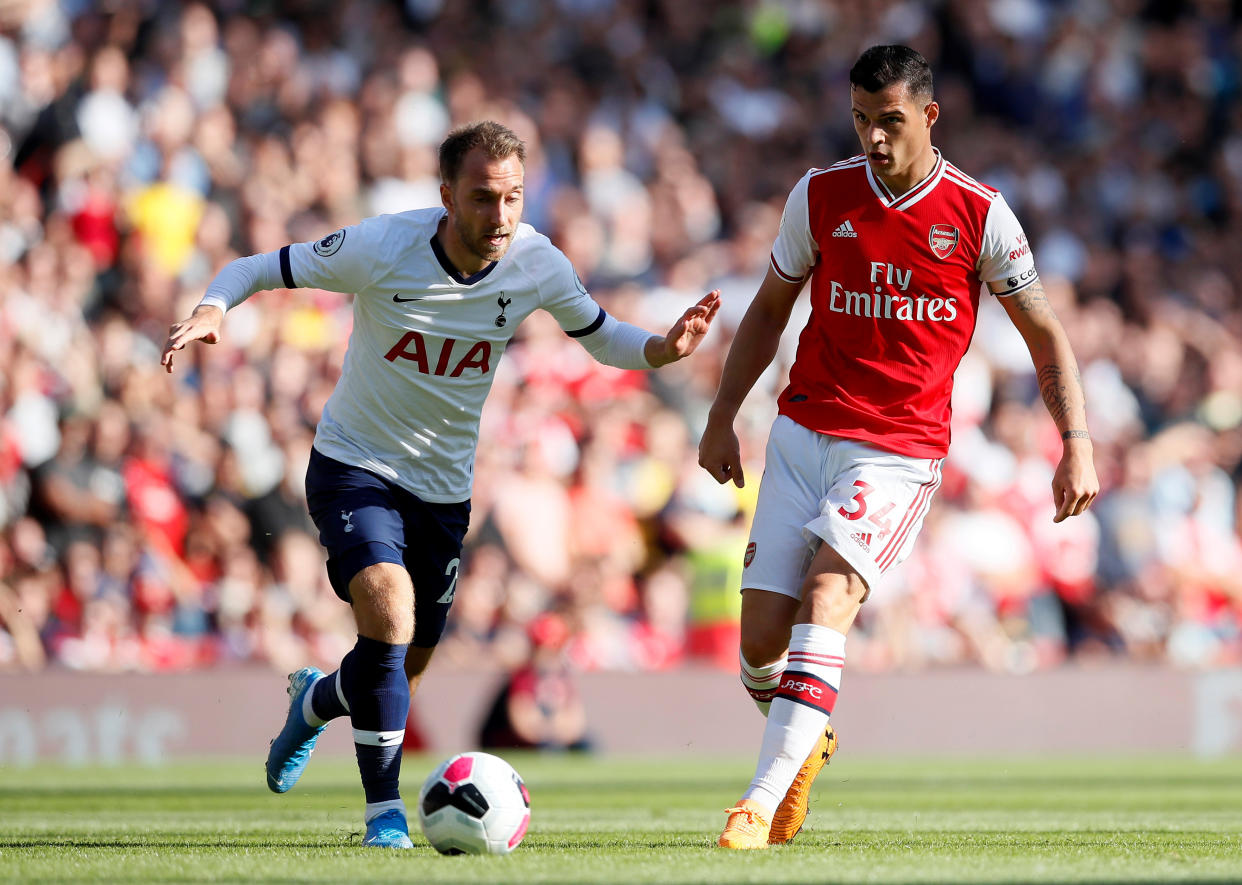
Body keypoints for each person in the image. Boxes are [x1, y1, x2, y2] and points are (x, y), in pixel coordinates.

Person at [162, 120, 720, 848]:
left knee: (401, 665)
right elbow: (259, 266)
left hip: (444, 489)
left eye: (514, 198)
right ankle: (382, 817)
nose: (502, 217)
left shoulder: (534, 261)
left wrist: (659, 347)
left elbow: (597, 331)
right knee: (388, 616)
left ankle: (315, 699)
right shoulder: (383, 246)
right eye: (485, 199)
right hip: (355, 464)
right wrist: (212, 309)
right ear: (447, 196)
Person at [697, 45, 1099, 850]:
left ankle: (757, 800)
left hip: (897, 450)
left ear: (928, 115)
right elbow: (771, 308)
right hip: (803, 430)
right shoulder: (820, 194)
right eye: (860, 119)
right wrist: (722, 413)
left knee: (828, 601)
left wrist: (1076, 441)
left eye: (889, 121)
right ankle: (807, 739)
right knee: (758, 649)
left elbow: (1045, 332)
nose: (874, 138)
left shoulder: (980, 213)